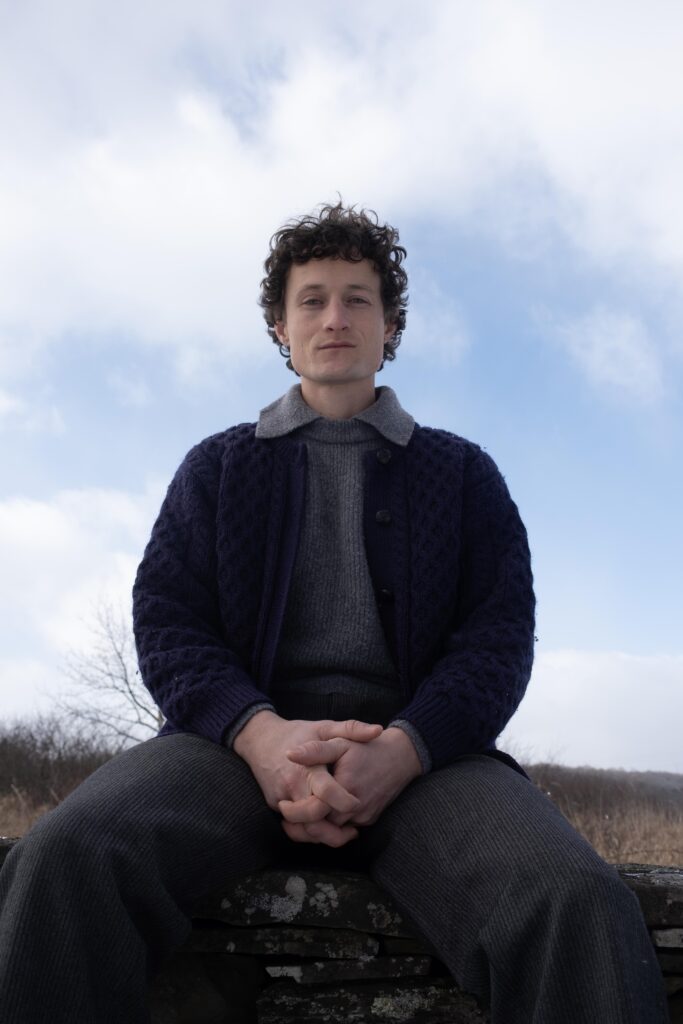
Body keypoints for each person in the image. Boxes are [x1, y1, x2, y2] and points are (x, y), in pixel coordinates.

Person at [0, 202, 667, 1023]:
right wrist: (261, 737)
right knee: (67, 856)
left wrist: (406, 748)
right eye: (311, 300)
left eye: (357, 299)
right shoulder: (216, 467)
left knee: (573, 898)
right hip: (229, 748)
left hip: (429, 763)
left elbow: (496, 641)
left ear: (391, 327)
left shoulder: (463, 474)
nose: (335, 318)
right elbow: (169, 624)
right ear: (280, 328)